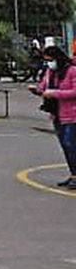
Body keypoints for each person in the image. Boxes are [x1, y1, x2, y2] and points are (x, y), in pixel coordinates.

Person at [29, 45, 76, 188]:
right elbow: (43, 86)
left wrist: (55, 93)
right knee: (65, 146)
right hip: (57, 114)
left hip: (72, 114)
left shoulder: (72, 71)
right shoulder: (50, 72)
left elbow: (74, 92)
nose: (49, 63)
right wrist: (37, 90)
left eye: (51, 60)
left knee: (70, 143)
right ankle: (73, 174)